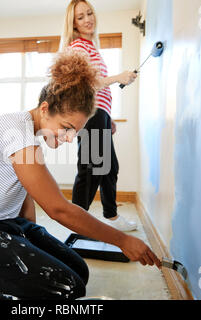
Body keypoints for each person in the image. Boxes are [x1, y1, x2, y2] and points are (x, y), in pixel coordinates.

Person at [0, 49, 160, 301]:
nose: (71, 138)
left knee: (78, 271)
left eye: (76, 132)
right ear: (45, 108)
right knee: (64, 288)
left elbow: (24, 195)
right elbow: (58, 209)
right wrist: (121, 240)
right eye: (67, 128)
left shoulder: (32, 138)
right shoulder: (16, 132)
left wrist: (34, 241)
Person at [60, 0, 138, 232]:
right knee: (91, 169)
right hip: (89, 114)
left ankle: (111, 217)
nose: (88, 19)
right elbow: (85, 84)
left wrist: (107, 116)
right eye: (81, 17)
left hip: (99, 113)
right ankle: (77, 222)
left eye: (89, 13)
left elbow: (98, 89)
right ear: (73, 24)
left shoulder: (91, 47)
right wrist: (118, 77)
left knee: (108, 167)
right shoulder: (78, 47)